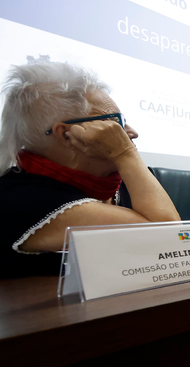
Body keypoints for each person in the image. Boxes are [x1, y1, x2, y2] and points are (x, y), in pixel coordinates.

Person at [0, 59, 179, 278]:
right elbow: (169, 240)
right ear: (67, 135)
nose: (132, 132)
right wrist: (125, 153)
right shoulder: (21, 197)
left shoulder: (123, 180)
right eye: (115, 123)